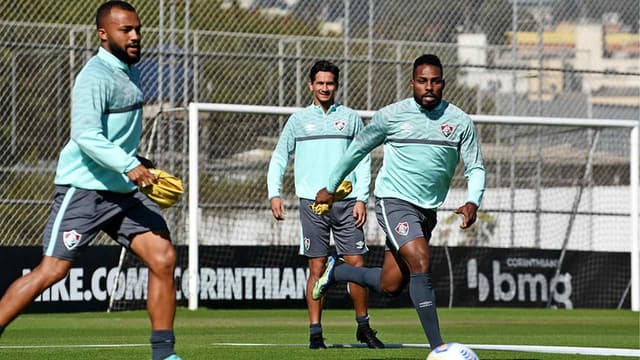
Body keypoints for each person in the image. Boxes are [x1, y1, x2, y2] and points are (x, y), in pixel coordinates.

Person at [0, 2, 181, 360]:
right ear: (103, 33)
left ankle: (164, 354)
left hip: (122, 191)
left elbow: (113, 135)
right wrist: (128, 164)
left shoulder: (131, 72)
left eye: (137, 29)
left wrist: (137, 161)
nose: (134, 36)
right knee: (52, 271)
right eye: (125, 30)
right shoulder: (95, 75)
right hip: (84, 189)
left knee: (162, 258)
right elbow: (86, 134)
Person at [312, 54, 486, 352]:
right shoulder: (391, 116)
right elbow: (357, 149)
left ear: (443, 83)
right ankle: (439, 349)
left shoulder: (459, 121)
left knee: (390, 285)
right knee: (421, 260)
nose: (428, 87)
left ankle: (337, 270)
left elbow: (476, 167)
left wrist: (473, 200)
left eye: (434, 81)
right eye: (422, 81)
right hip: (393, 200)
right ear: (412, 83)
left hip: (426, 211)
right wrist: (330, 187)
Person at [267, 60, 384, 349]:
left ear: (336, 85)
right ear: (310, 85)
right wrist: (275, 193)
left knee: (356, 264)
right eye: (319, 83)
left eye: (329, 83)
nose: (324, 88)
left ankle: (363, 327)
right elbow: (280, 157)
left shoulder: (351, 118)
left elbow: (363, 157)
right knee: (316, 267)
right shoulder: (297, 120)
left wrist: (360, 197)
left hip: (346, 204)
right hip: (311, 204)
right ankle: (315, 333)